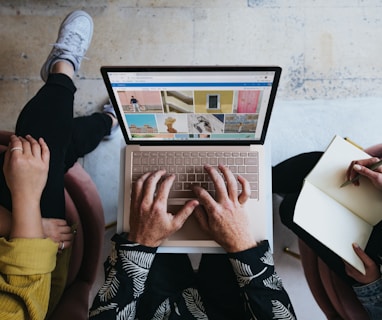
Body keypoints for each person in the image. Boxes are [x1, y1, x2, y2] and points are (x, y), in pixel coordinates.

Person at [0, 9, 118, 317]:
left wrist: (15, 221)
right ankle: (65, 74)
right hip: (31, 269)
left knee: (47, 141)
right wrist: (26, 207)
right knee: (45, 143)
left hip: (16, 231)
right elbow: (23, 295)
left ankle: (96, 110)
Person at [89, 164, 296, 319]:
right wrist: (240, 243)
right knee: (233, 205)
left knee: (149, 206)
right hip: (236, 309)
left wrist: (141, 243)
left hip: (151, 309)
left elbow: (108, 312)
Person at [272, 144, 382, 318]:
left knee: (291, 209)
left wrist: (372, 283)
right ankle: (263, 181)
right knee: (320, 168)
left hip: (370, 265)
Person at [0, 135, 58, 320]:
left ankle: (108, 121)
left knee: (39, 144)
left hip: (20, 235)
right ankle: (107, 122)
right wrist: (26, 199)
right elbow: (25, 301)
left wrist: (21, 221)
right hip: (32, 275)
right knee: (45, 130)